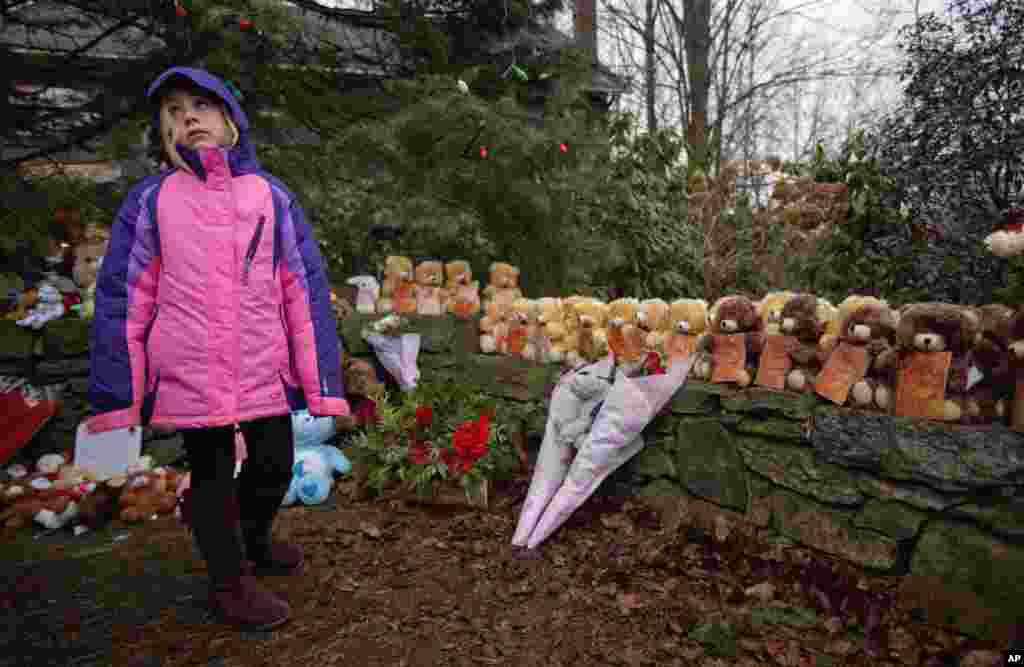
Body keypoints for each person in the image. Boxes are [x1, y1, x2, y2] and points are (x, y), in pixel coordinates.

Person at [86, 67, 350, 631]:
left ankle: (252, 540)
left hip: (260, 363)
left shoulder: (269, 197)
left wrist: (320, 380)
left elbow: (301, 289)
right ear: (166, 130)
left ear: (231, 121)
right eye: (176, 109)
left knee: (274, 461)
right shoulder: (151, 202)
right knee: (209, 473)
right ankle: (228, 584)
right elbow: (125, 296)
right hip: (190, 367)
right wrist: (121, 390)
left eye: (203, 105)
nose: (190, 116)